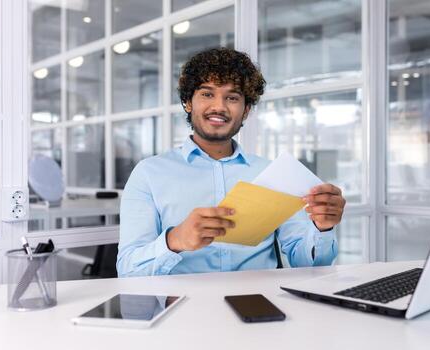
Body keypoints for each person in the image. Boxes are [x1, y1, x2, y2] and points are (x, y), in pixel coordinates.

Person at [117, 48, 346, 277]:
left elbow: (310, 266)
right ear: (188, 102)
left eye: (232, 98)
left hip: (260, 304)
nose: (219, 107)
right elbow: (127, 270)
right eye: (207, 94)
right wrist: (175, 239)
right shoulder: (149, 174)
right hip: (183, 306)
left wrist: (322, 227)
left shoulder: (271, 174)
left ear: (245, 111)